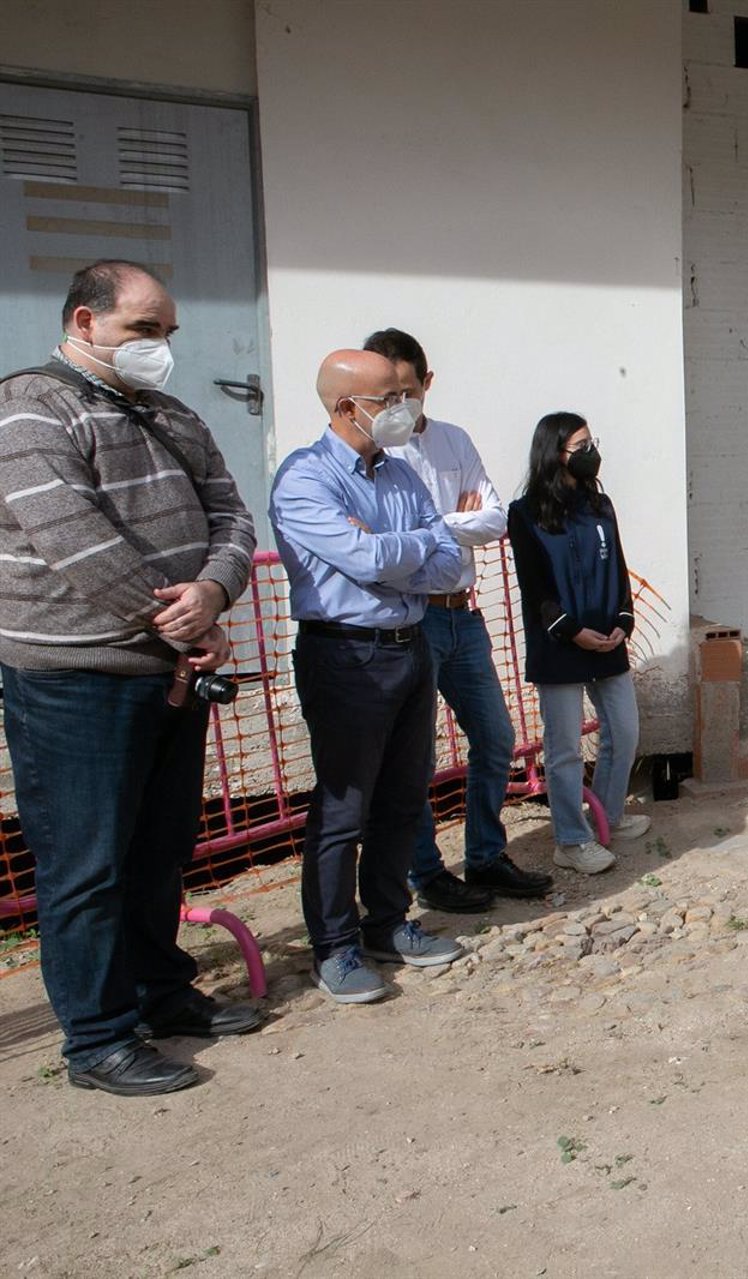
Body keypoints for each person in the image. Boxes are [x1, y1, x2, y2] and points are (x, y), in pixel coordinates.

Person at [0, 260, 259, 1095]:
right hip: (77, 679)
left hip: (168, 671)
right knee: (87, 864)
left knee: (158, 850)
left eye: (168, 332)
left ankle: (161, 992)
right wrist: (179, 622)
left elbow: (232, 511)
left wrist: (214, 590)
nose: (161, 347)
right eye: (144, 330)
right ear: (85, 322)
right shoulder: (31, 409)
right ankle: (98, 1039)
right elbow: (73, 539)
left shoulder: (170, 414)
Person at [271, 350, 469, 1004]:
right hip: (345, 655)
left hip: (411, 648)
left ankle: (386, 922)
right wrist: (404, 549)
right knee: (344, 807)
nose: (403, 408)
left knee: (403, 796)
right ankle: (335, 945)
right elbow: (362, 555)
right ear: (346, 407)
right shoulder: (305, 478)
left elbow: (449, 564)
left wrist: (393, 553)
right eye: (388, 398)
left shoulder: (402, 474)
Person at [366, 329, 556, 912]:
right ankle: (428, 873)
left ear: (427, 383)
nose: (398, 403)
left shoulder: (454, 440)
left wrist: (426, 528)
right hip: (410, 619)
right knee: (415, 758)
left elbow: (495, 518)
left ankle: (484, 856)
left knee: (496, 737)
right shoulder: (372, 452)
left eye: (407, 390)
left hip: (461, 615)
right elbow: (376, 542)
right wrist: (452, 521)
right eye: (386, 393)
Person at [507, 412, 649, 875]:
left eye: (593, 442)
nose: (591, 452)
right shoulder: (525, 514)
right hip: (561, 645)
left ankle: (607, 816)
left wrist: (622, 623)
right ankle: (569, 840)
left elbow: (618, 570)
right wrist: (572, 630)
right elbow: (536, 591)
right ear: (555, 453)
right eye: (581, 445)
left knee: (624, 731)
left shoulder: (600, 506)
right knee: (564, 746)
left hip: (608, 641)